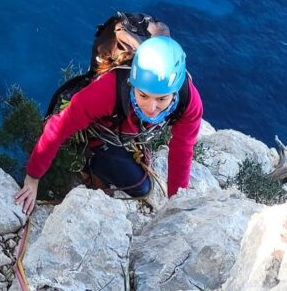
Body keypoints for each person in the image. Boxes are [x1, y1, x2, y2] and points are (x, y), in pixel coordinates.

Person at [14, 35, 203, 215]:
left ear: (175, 92)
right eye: (143, 95)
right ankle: (94, 165)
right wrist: (33, 177)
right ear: (133, 83)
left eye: (162, 98)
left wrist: (176, 202)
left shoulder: (188, 102)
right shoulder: (108, 91)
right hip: (99, 134)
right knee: (140, 186)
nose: (151, 108)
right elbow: (58, 127)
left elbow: (182, 148)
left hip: (126, 132)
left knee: (142, 187)